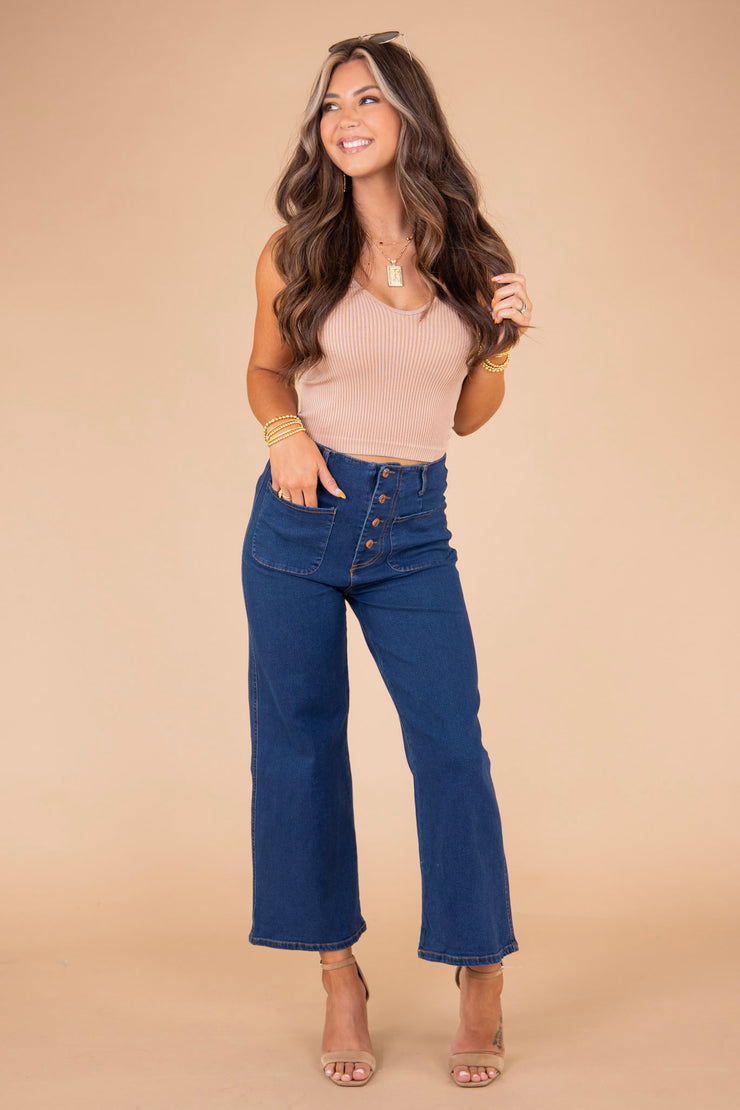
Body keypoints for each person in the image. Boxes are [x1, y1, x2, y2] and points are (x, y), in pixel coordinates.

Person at [240, 31, 533, 1089]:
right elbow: (266, 372)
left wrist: (500, 347)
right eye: (331, 104)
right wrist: (285, 436)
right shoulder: (296, 249)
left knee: (451, 748)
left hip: (412, 529)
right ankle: (338, 978)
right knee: (300, 751)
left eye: (366, 98)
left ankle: (479, 971)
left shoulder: (471, 255)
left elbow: (464, 416)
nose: (345, 118)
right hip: (300, 522)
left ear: (409, 115)